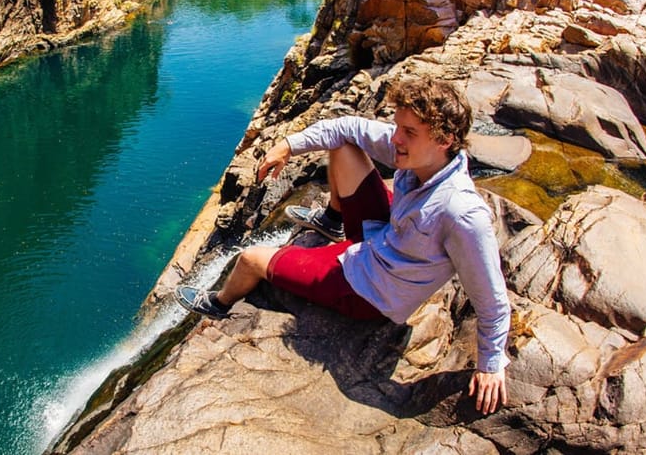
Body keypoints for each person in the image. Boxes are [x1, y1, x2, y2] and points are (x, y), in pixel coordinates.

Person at [175, 77, 511, 414]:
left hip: (368, 291)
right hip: (383, 240)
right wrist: (288, 146)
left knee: (250, 260)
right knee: (344, 147)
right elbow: (347, 127)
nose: (396, 139)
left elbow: (491, 297)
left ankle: (218, 303)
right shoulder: (422, 161)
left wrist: (490, 364)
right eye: (397, 127)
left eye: (409, 132)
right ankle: (332, 220)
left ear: (446, 140)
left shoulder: (461, 213)